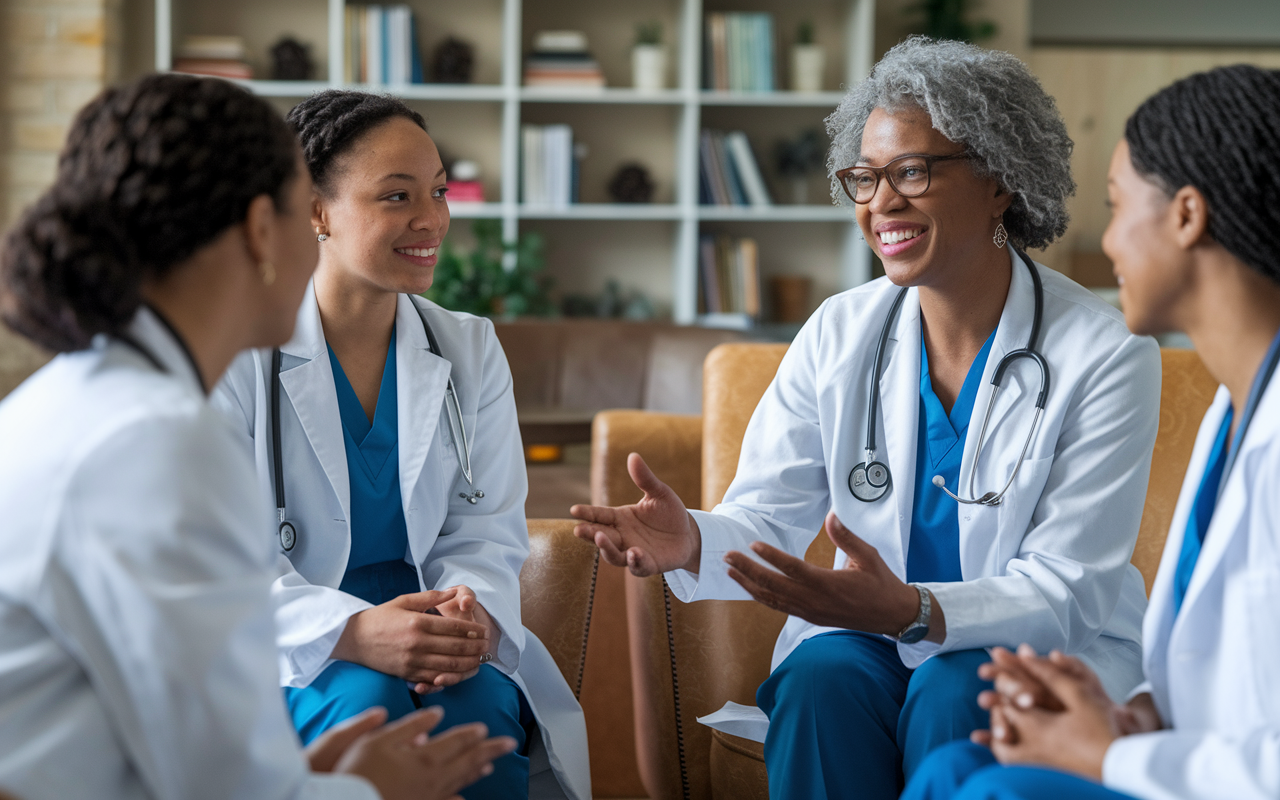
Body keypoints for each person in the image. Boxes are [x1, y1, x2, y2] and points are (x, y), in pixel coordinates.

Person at [570, 36, 1161, 800]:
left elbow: (1068, 591)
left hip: (1033, 640)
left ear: (1001, 183)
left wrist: (916, 608)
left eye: (912, 171)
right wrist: (693, 541)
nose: (881, 202)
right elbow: (766, 517)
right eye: (864, 177)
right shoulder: (837, 331)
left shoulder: (1105, 353)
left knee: (961, 692)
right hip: (868, 636)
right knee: (820, 677)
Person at [0, 73, 516, 799]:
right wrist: (368, 788)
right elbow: (229, 781)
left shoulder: (81, 397)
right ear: (267, 228)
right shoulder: (157, 440)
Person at [902, 63, 1280, 800]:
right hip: (1195, 760)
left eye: (1116, 206)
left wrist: (1111, 757)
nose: (1107, 243)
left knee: (987, 791)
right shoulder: (1232, 415)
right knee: (951, 770)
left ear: (1187, 215)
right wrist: (1129, 715)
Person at [212, 90, 588, 800]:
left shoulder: (468, 347)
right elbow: (220, 565)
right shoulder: (237, 355)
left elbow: (487, 529)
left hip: (436, 630)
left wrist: (466, 614)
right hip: (297, 639)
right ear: (314, 210)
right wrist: (351, 632)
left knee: (479, 725)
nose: (433, 219)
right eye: (396, 195)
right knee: (364, 714)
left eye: (439, 191)